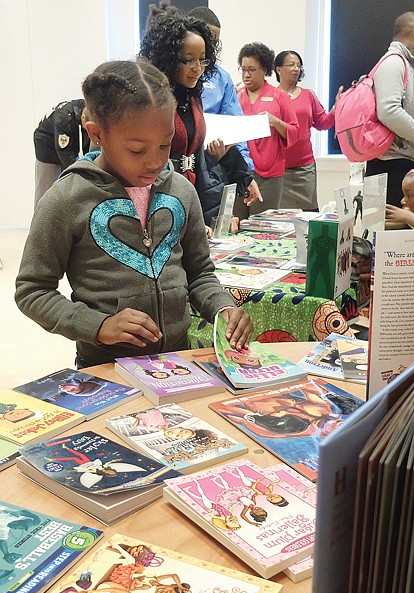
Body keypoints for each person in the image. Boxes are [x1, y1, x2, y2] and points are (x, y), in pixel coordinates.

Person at [15, 60, 252, 368]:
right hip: (107, 370)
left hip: (178, 364)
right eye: (137, 150)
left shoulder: (180, 191)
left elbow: (200, 274)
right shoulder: (66, 199)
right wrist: (98, 326)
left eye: (165, 145)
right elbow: (32, 291)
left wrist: (223, 308)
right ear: (97, 134)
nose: (154, 162)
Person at [139, 14, 260, 225]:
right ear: (168, 58)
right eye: (188, 60)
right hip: (160, 201)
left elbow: (204, 149)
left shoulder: (193, 95)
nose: (197, 68)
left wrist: (244, 176)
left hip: (194, 194)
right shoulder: (151, 100)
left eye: (202, 60)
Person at [366, 11, 414, 206]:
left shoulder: (407, 63)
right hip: (390, 165)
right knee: (388, 232)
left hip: (398, 163)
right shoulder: (394, 61)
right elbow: (388, 111)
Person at [187, 6, 256, 173]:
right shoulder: (170, 73)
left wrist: (245, 171)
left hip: (211, 165)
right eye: (207, 38)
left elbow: (234, 127)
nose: (211, 46)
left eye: (215, 42)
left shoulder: (222, 78)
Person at [237, 42, 300, 217]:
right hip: (240, 172)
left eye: (252, 69)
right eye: (243, 70)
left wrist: (274, 121)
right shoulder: (235, 97)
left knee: (263, 226)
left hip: (269, 175)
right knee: (235, 225)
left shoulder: (279, 97)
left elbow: (295, 132)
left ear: (264, 69)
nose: (246, 75)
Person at [274, 49, 342, 211]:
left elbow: (323, 123)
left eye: (299, 65)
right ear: (278, 69)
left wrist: (335, 109)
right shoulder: (272, 96)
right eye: (291, 65)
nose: (296, 69)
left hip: (304, 167)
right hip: (277, 168)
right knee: (279, 218)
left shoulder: (308, 95)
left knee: (310, 213)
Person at [33, 99, 90, 209]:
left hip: (64, 141)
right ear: (83, 118)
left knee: (68, 185)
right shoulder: (64, 118)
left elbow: (86, 143)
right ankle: (40, 222)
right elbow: (64, 152)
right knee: (45, 190)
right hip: (46, 146)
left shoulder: (87, 107)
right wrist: (78, 172)